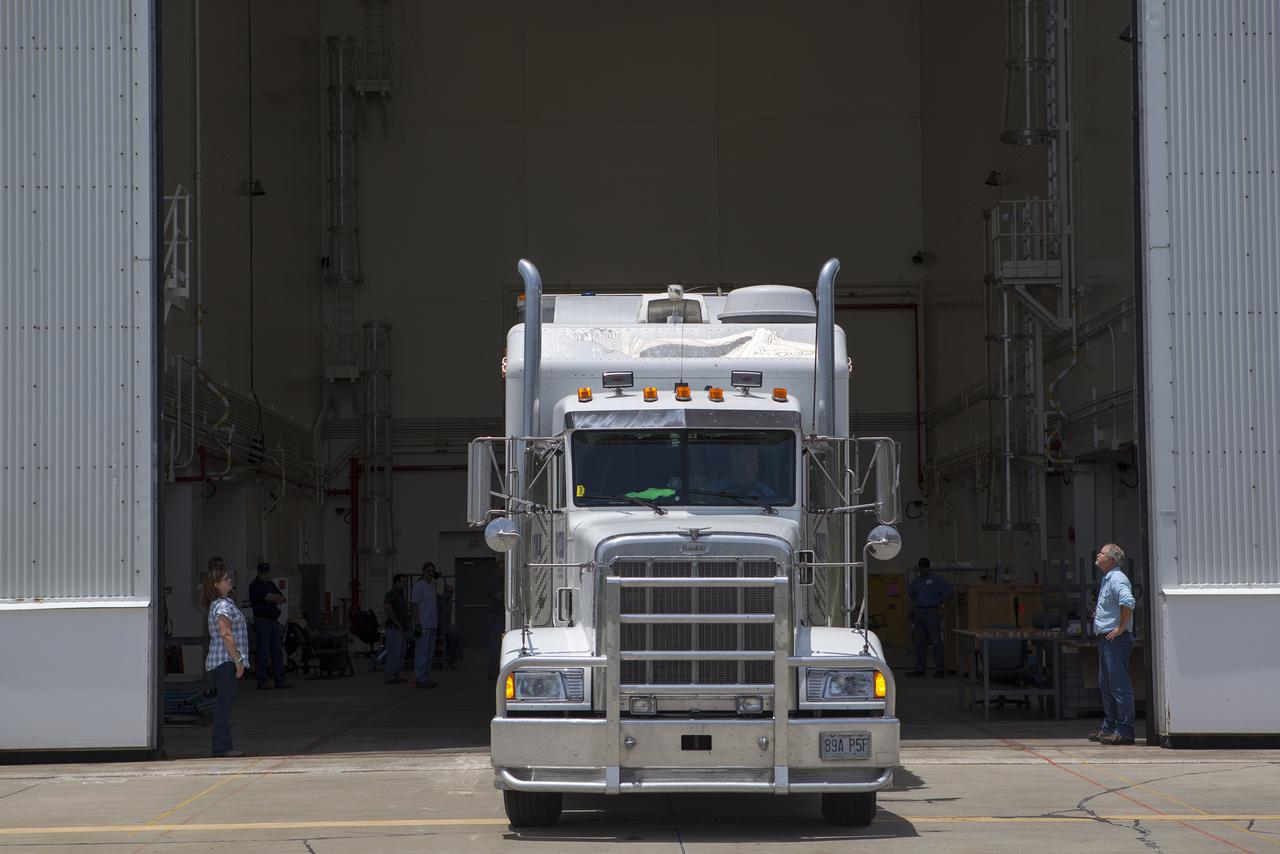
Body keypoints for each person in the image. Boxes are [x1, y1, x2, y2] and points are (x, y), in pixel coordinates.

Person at [1089, 543, 1137, 745]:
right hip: (1107, 640)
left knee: (1118, 685)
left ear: (1111, 559)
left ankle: (1125, 730)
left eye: (1101, 553)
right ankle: (1109, 727)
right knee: (1106, 684)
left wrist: (1120, 628)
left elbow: (1128, 602)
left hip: (1115, 640)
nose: (1098, 555)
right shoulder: (1108, 579)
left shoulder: (1117, 579)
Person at [202, 564, 248, 757]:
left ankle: (223, 746)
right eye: (226, 579)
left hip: (224, 660)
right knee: (224, 703)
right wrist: (238, 660)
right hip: (225, 660)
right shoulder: (222, 605)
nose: (230, 581)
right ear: (216, 585)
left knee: (225, 703)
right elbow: (226, 633)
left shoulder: (225, 603)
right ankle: (222, 747)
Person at [248, 562, 292, 690]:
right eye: (263, 573)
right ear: (258, 572)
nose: (265, 575)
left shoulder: (270, 584)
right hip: (262, 622)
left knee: (277, 652)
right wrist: (273, 598)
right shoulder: (255, 586)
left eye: (267, 573)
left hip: (273, 622)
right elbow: (268, 598)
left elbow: (283, 598)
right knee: (263, 653)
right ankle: (262, 681)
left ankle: (280, 680)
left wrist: (273, 598)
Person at [907, 557, 952, 677]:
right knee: (920, 642)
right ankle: (919, 669)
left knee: (936, 641)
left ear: (928, 567)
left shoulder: (936, 579)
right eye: (921, 567)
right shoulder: (917, 581)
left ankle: (940, 669)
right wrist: (915, 606)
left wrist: (941, 606)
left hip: (932, 612)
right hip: (920, 613)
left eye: (924, 567)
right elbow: (911, 594)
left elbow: (949, 593)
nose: (922, 569)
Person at [409, 563, 440, 689]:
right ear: (423, 572)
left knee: (430, 653)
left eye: (432, 571)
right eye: (428, 571)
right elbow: (414, 605)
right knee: (422, 653)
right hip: (423, 625)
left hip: (432, 625)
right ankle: (420, 678)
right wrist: (417, 623)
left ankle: (426, 677)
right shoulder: (418, 586)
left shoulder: (432, 587)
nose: (430, 573)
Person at [707, 445, 776, 498]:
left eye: (755, 462)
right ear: (734, 462)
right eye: (750, 461)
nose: (755, 467)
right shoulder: (715, 487)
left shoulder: (765, 491)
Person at [383, 574, 410, 685]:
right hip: (394, 629)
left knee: (400, 653)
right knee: (394, 653)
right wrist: (397, 623)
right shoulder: (391, 594)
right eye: (403, 582)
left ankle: (396, 675)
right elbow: (387, 606)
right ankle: (390, 677)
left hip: (401, 629)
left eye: (406, 582)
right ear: (396, 583)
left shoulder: (401, 595)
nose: (405, 584)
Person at [486, 564, 505, 681]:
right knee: (495, 645)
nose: (503, 570)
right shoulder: (493, 582)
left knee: (503, 645)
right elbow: (500, 597)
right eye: (502, 568)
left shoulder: (505, 581)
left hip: (503, 615)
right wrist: (509, 589)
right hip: (496, 616)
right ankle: (492, 670)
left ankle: (501, 669)